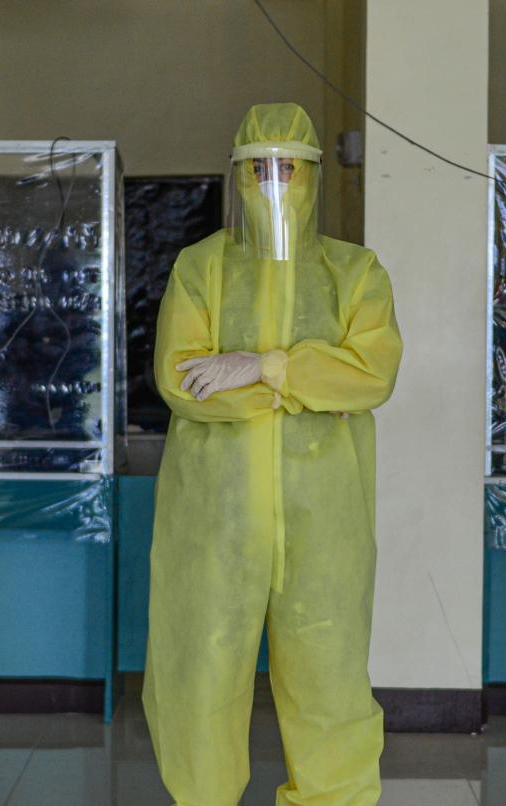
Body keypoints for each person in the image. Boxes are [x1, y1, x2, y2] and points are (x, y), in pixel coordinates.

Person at [142, 102, 403, 805]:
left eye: (288, 166)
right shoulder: (203, 267)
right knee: (199, 675)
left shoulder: (355, 272)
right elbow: (183, 380)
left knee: (331, 680)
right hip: (214, 522)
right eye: (258, 167)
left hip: (326, 522)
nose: (273, 181)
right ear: (237, 176)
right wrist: (314, 382)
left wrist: (261, 366)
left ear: (314, 175)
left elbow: (372, 375)